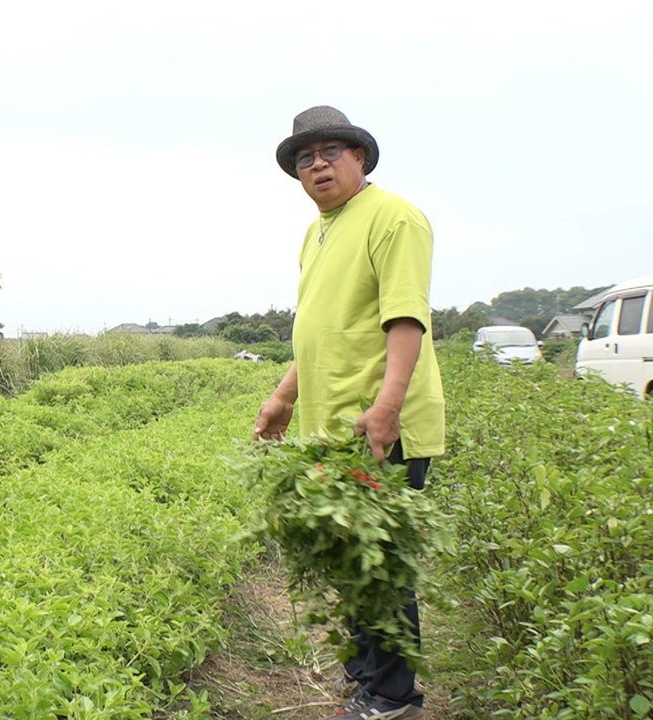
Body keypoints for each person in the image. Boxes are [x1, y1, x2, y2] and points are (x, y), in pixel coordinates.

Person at [254, 106, 445, 719]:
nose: (318, 164)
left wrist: (387, 406)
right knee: (347, 558)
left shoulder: (394, 217)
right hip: (330, 427)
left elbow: (405, 317)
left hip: (379, 428)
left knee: (382, 569)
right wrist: (285, 395)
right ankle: (367, 675)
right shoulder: (316, 232)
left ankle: (393, 697)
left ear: (360, 158)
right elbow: (323, 330)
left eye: (331, 151)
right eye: (305, 158)